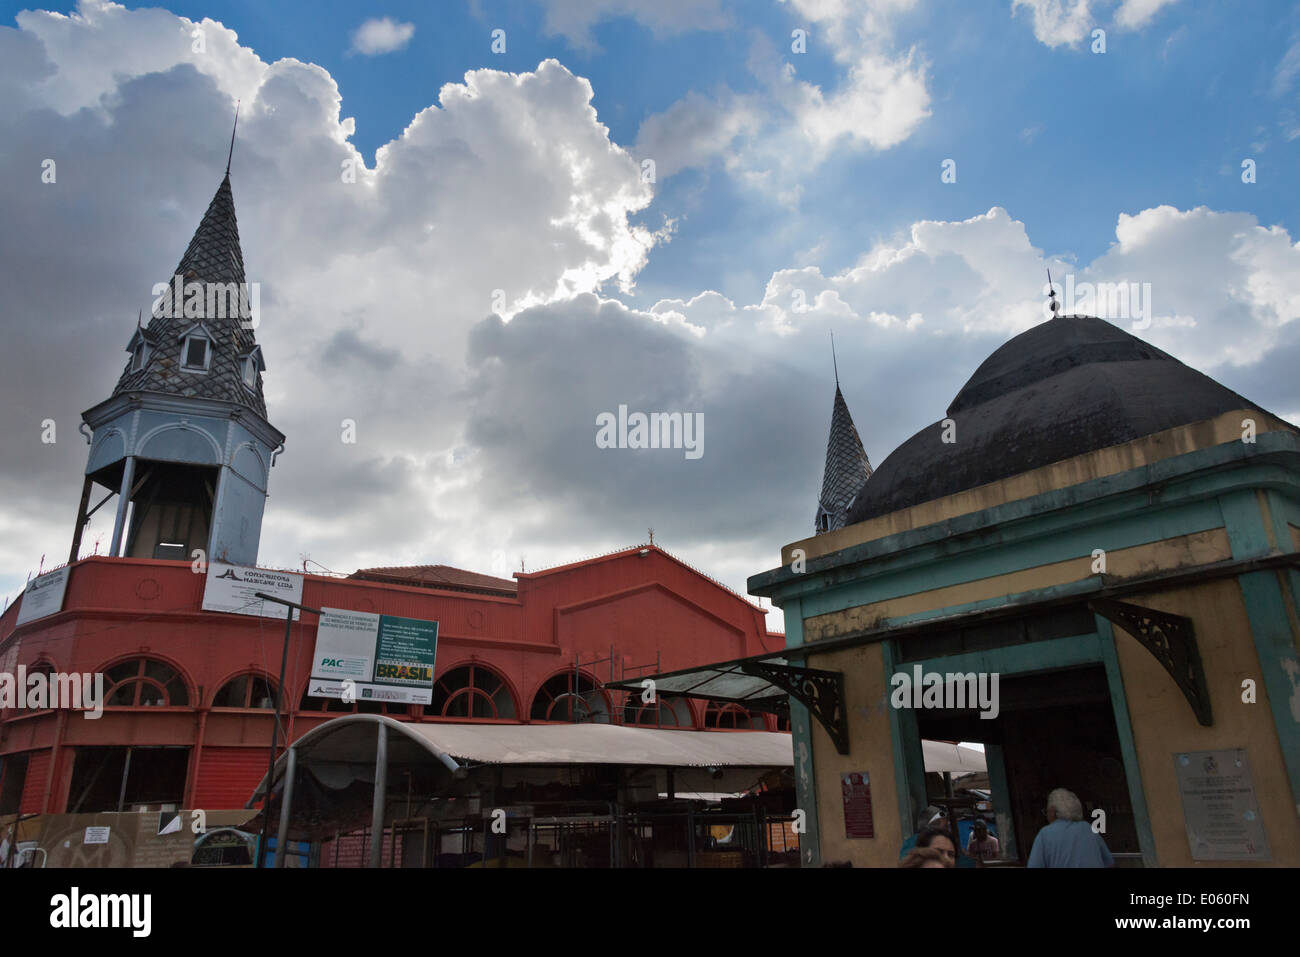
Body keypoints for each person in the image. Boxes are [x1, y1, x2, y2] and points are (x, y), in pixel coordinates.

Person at [1027, 788, 1114, 868]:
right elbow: (1110, 864)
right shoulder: (1088, 828)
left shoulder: (1045, 834)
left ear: (1053, 812)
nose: (1047, 816)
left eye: (1047, 812)